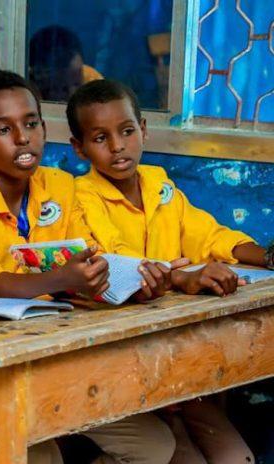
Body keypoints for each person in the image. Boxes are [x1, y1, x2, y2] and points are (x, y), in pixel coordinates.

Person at [0, 70, 175, 464]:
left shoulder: (62, 187)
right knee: (42, 459)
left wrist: (132, 281)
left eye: (31, 123)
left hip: (60, 362)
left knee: (155, 448)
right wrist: (62, 278)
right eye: (4, 129)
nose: (22, 138)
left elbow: (94, 256)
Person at [68, 78, 268, 463]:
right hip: (119, 360)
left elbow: (208, 234)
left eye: (127, 131)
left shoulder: (161, 186)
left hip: (172, 358)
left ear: (143, 130)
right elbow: (114, 260)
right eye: (100, 138)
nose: (117, 146)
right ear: (78, 148)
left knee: (236, 457)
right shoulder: (79, 198)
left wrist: (267, 256)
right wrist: (178, 276)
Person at [28, 25, 102, 101]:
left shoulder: (91, 80)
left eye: (77, 84)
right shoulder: (28, 91)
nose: (73, 94)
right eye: (64, 89)